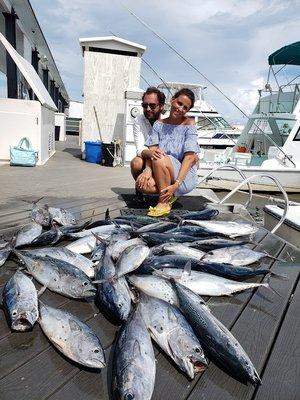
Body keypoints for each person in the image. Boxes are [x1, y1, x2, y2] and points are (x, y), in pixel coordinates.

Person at [140, 88, 199, 217]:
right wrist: (148, 171)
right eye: (179, 103)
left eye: (185, 107)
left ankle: (163, 202)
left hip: (184, 176)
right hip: (164, 170)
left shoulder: (189, 124)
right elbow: (152, 150)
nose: (181, 108)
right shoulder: (159, 124)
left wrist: (176, 185)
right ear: (172, 101)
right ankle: (169, 195)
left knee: (160, 156)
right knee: (144, 186)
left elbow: (190, 158)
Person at [130, 87, 166, 196]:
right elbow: (140, 149)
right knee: (136, 163)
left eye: (152, 105)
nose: (148, 108)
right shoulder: (138, 120)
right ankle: (140, 187)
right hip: (147, 157)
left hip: (163, 160)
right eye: (145, 105)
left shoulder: (167, 121)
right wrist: (151, 156)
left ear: (161, 106)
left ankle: (167, 192)